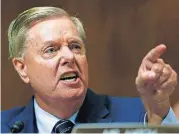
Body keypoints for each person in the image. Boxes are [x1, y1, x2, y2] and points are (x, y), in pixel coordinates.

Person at [1, 6, 178, 133]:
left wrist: (157, 113)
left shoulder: (140, 116)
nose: (69, 57)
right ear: (22, 68)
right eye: (51, 50)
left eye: (75, 46)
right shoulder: (5, 127)